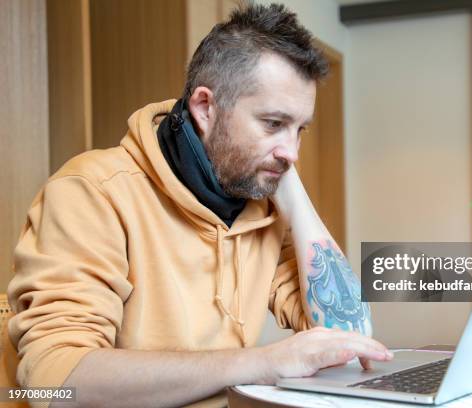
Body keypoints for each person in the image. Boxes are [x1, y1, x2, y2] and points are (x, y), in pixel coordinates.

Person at [6, 3, 392, 408]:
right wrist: (261, 363)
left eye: (300, 130)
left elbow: (353, 331)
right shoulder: (91, 192)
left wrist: (293, 194)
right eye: (273, 123)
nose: (292, 151)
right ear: (206, 107)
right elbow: (55, 383)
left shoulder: (260, 202)